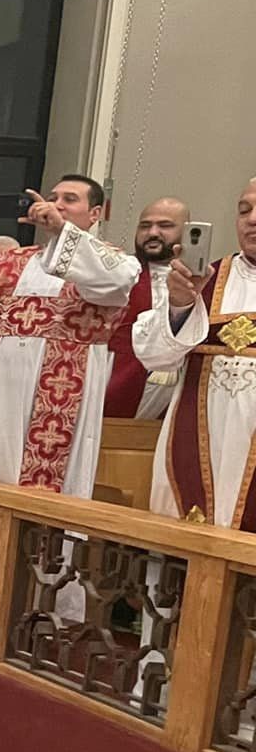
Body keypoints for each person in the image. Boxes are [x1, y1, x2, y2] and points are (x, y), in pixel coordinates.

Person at [0, 176, 142, 494]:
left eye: (70, 199)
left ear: (95, 214)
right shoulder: (10, 262)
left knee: (47, 488)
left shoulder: (113, 262)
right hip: (0, 394)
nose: (57, 205)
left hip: (62, 396)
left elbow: (116, 281)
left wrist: (61, 231)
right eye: (53, 197)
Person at [138, 178, 256, 528]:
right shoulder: (202, 280)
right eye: (244, 210)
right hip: (201, 438)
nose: (252, 219)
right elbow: (156, 359)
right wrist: (179, 306)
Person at [105, 197, 191, 421]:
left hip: (181, 392)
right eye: (145, 226)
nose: (152, 233)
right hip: (117, 383)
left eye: (165, 226)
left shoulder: (203, 279)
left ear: (188, 231)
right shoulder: (118, 272)